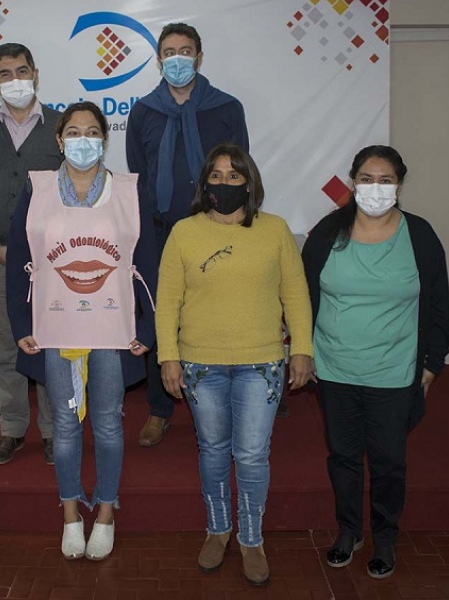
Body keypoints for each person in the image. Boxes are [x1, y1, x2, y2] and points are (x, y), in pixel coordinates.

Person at [155, 143, 314, 585]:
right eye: (216, 175)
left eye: (234, 175)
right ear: (204, 182)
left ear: (249, 182)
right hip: (200, 364)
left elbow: (295, 293)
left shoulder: (275, 230)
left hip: (261, 363)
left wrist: (302, 348)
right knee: (212, 450)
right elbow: (167, 301)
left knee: (251, 454)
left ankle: (251, 538)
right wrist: (168, 356)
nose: (224, 183)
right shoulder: (184, 232)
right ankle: (218, 529)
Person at [6, 102, 157, 561]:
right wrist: (21, 323)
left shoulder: (128, 191)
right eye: (73, 132)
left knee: (109, 424)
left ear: (104, 140)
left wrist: (148, 325)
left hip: (113, 330)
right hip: (56, 329)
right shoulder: (37, 189)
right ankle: (71, 514)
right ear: (59, 140)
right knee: (66, 425)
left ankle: (106, 512)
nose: (83, 140)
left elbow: (148, 262)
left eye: (93, 132)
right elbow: (19, 259)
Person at [301, 145, 449, 579]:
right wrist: (303, 352)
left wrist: (432, 365)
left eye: (386, 180)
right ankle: (349, 532)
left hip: (394, 373)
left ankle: (385, 537)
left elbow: (438, 304)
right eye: (367, 179)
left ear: (400, 185)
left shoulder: (419, 236)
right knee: (344, 457)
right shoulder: (327, 232)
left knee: (388, 462)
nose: (376, 188)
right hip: (334, 369)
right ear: (353, 182)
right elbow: (303, 297)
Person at [126, 22, 250, 448]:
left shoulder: (227, 107)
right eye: (169, 52)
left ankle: (215, 406)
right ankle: (159, 410)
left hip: (215, 230)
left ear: (199, 57)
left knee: (213, 314)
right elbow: (139, 176)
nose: (177, 58)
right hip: (160, 234)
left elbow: (240, 173)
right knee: (160, 315)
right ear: (159, 59)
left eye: (185, 51)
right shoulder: (143, 111)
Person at [0, 43, 63, 465]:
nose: (15, 80)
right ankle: (12, 428)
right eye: (6, 73)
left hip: (52, 261)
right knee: (7, 351)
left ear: (35, 74)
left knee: (50, 347)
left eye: (22, 71)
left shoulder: (61, 126)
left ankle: (54, 431)